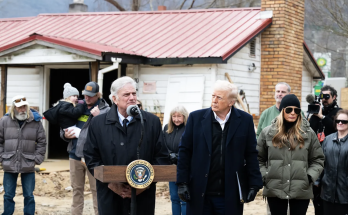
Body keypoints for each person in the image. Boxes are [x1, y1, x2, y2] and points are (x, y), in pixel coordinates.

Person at [83, 76, 169, 215]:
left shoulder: (151, 122)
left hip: (142, 196)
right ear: (114, 99)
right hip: (110, 195)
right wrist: (111, 184)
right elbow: (91, 157)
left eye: (134, 93)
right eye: (126, 94)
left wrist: (144, 185)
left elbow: (161, 157)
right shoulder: (98, 123)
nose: (132, 98)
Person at [176, 80, 263, 215]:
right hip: (199, 192)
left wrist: (254, 183)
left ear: (231, 102)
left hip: (229, 194)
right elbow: (184, 151)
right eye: (213, 96)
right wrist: (182, 183)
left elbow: (251, 153)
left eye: (219, 97)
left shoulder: (245, 120)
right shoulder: (196, 118)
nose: (214, 101)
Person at [257, 94, 325, 215]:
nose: (293, 113)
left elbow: (318, 159)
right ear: (282, 110)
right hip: (275, 187)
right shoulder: (268, 132)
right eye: (289, 109)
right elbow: (258, 158)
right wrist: (265, 176)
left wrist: (309, 177)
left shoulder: (308, 133)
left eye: (296, 110)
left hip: (301, 189)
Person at [60, 81, 110, 215]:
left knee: (97, 190)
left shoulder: (105, 110)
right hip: (75, 156)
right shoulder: (76, 106)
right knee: (76, 190)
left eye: (91, 96)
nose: (87, 98)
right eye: (85, 95)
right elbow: (63, 126)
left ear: (98, 95)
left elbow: (109, 133)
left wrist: (98, 117)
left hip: (94, 158)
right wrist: (65, 135)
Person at [0, 95, 46, 215]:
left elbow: (42, 141)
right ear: (13, 108)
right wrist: (2, 158)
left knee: (29, 195)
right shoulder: (4, 121)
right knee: (8, 195)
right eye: (19, 107)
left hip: (28, 162)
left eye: (24, 106)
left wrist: (37, 158)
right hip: (9, 162)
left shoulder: (35, 122)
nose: (22, 110)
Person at [309, 85, 341, 215]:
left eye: (327, 96)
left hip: (333, 156)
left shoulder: (338, 113)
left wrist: (322, 117)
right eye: (322, 96)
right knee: (316, 195)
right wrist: (315, 115)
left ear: (334, 97)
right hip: (317, 156)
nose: (324, 99)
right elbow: (311, 131)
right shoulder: (317, 112)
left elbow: (336, 128)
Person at [317, 109, 348, 214]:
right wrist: (317, 181)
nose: (340, 123)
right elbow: (321, 162)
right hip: (327, 192)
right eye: (338, 120)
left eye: (344, 121)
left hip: (345, 194)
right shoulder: (328, 140)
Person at [163, 105, 189, 215]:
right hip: (171, 167)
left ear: (184, 117)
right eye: (174, 116)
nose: (176, 119)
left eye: (179, 116)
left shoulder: (189, 128)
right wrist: (169, 154)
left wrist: (179, 156)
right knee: (174, 198)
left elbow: (191, 146)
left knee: (184, 198)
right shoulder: (166, 128)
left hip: (184, 167)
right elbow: (162, 144)